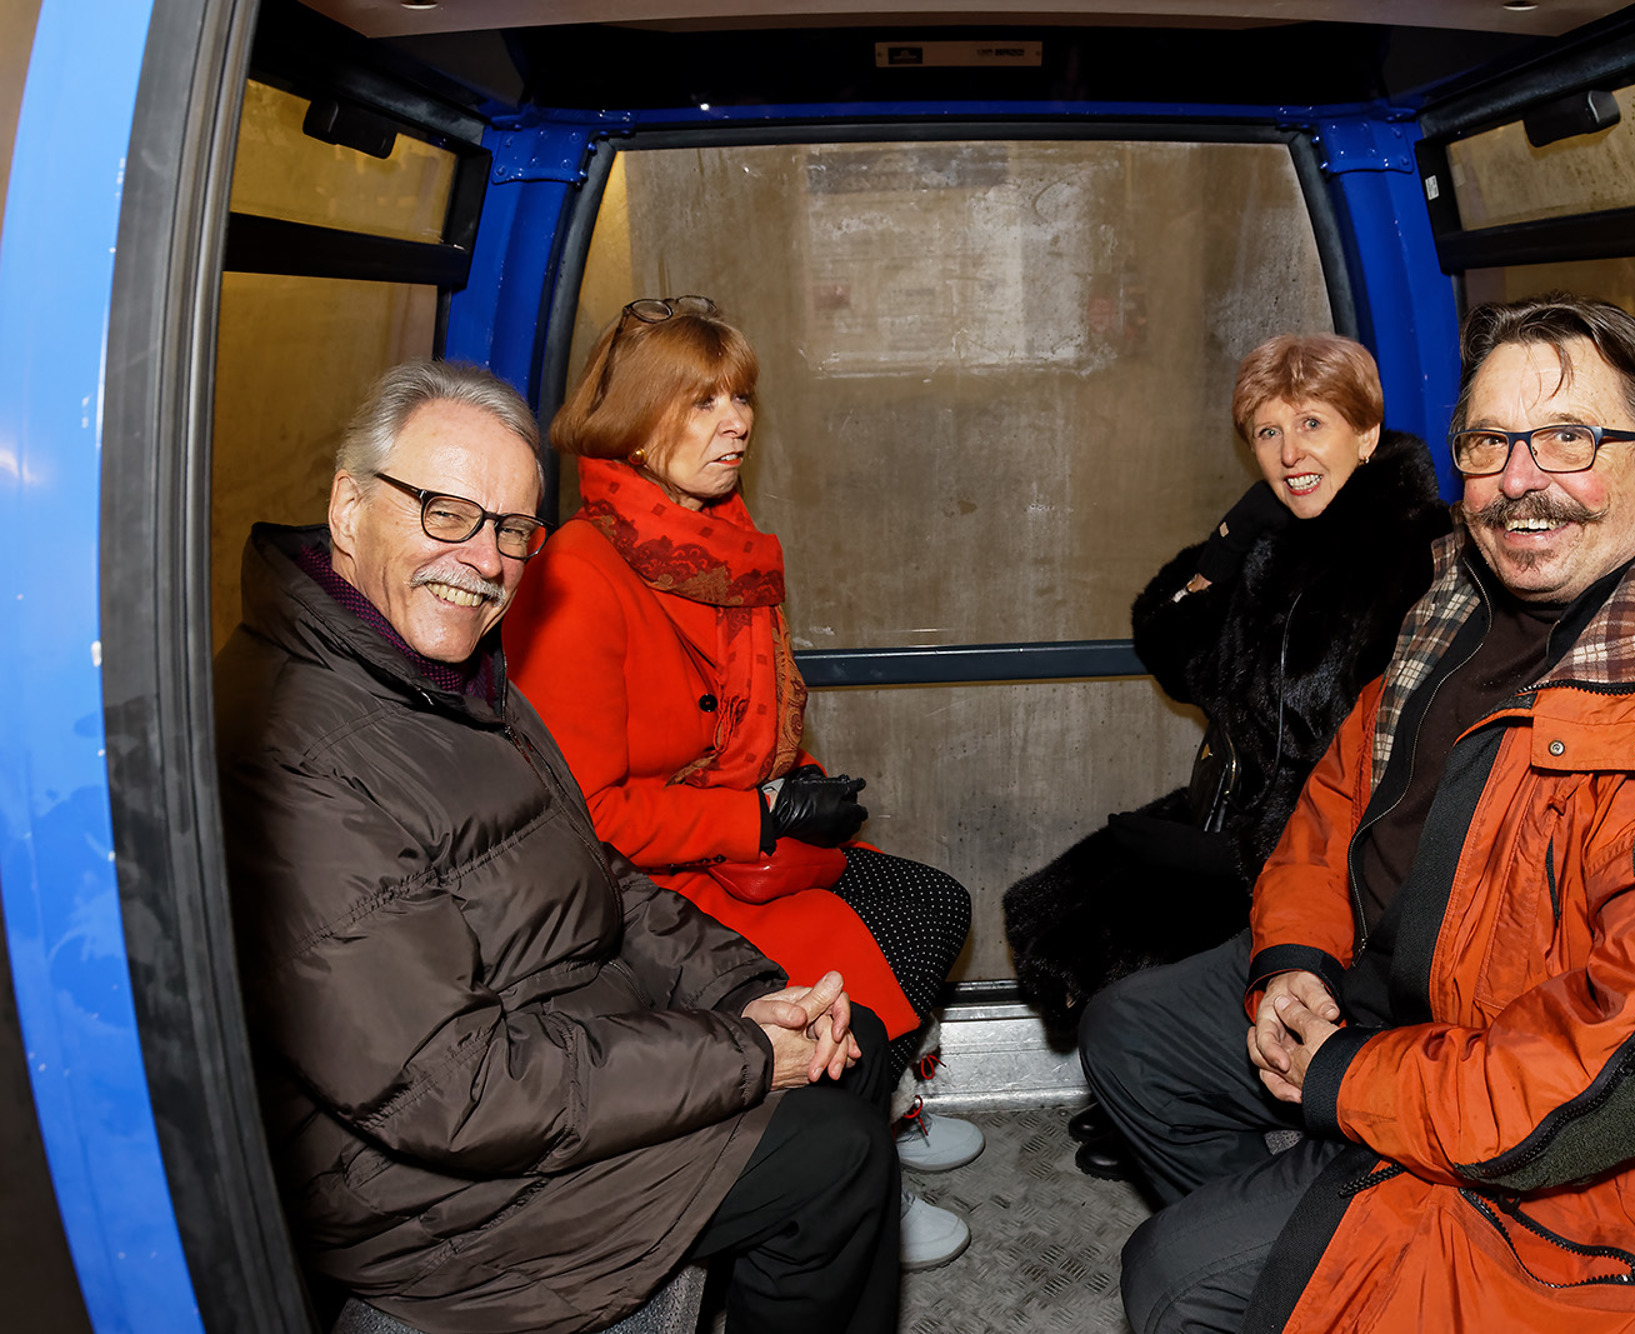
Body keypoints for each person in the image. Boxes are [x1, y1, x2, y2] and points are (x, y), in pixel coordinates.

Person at [1081, 293, 1635, 1334]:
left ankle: (1304, 1238)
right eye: (1488, 442)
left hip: (1524, 1107)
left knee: (1172, 1275)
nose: (1519, 479)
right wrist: (1293, 956)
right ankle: (1302, 1229)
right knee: (1129, 1035)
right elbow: (1336, 797)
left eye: (1567, 437)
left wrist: (1347, 1080)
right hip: (1373, 988)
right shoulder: (1456, 598)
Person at [214, 360, 903, 1334]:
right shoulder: (296, 751)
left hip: (552, 1050)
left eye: (510, 530)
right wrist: (748, 1052)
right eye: (447, 512)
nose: (483, 560)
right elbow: (449, 1091)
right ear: (348, 507)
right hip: (429, 1189)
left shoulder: (454, 674)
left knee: (852, 1045)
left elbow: (596, 873)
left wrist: (746, 992)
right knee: (836, 1158)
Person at [502, 297, 977, 1267]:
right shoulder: (580, 573)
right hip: (648, 888)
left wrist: (801, 787)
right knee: (862, 966)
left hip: (732, 849)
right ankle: (850, 1173)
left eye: (742, 397)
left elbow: (741, 720)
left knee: (935, 901)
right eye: (703, 401)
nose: (738, 423)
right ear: (636, 422)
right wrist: (759, 813)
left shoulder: (720, 538)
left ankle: (879, 1110)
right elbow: (585, 815)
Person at [1000, 333, 1448, 1175]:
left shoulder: (1416, 560)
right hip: (1238, 811)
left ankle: (1198, 1118)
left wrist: (1240, 851)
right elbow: (1174, 653)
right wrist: (1229, 543)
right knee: (1046, 907)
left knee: (1108, 937)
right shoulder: (1281, 541)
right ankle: (1150, 1100)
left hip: (1318, 853)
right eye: (1268, 433)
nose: (1289, 454)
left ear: (1366, 431)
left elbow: (1378, 775)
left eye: (1312, 424)